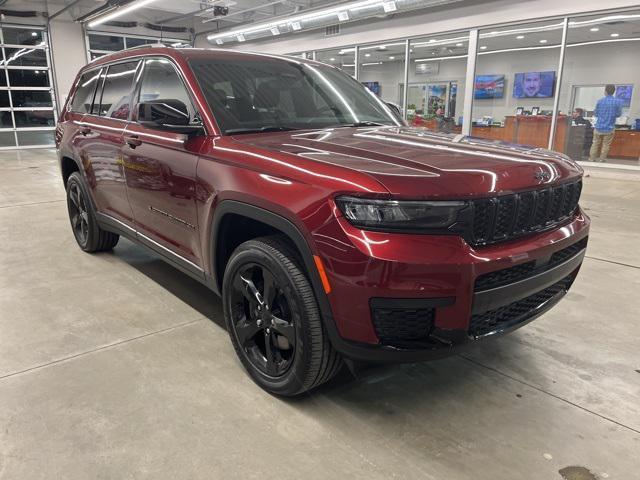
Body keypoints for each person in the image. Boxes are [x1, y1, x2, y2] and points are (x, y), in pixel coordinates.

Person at [590, 84, 623, 162]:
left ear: (605, 91)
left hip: (598, 127)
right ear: (614, 92)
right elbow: (618, 114)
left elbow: (596, 114)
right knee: (606, 145)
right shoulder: (618, 102)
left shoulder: (600, 101)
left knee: (595, 143)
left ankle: (592, 159)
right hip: (610, 127)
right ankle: (602, 159)